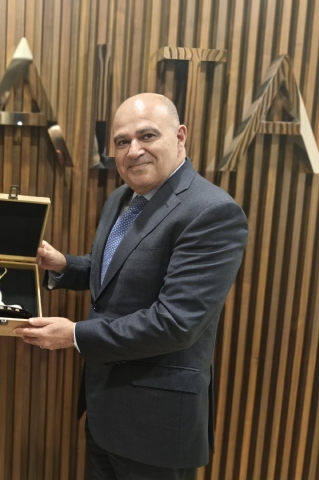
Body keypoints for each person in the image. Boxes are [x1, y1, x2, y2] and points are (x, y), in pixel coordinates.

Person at [14, 93, 248, 479]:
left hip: (157, 425)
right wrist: (65, 266)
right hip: (105, 410)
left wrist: (75, 335)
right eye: (122, 141)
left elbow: (176, 322)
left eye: (147, 136)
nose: (133, 150)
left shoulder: (211, 212)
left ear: (180, 136)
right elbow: (116, 271)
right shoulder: (121, 198)